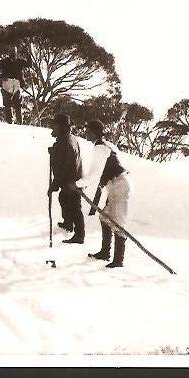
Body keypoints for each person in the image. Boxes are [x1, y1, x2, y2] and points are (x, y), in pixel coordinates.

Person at [76, 119, 131, 268]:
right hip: (115, 185)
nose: (86, 133)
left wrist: (77, 184)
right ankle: (105, 253)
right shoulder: (106, 145)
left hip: (118, 185)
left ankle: (118, 260)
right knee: (105, 217)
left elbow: (95, 174)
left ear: (93, 132)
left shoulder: (100, 148)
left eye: (88, 130)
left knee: (118, 222)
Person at [47, 113, 85, 244]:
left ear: (61, 127)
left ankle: (80, 235)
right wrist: (54, 151)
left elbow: (62, 168)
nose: (53, 128)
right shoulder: (69, 139)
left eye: (55, 125)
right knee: (63, 199)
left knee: (74, 207)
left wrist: (54, 185)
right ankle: (68, 224)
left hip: (71, 182)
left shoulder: (65, 143)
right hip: (73, 180)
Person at [0, 46, 30, 124]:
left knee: (17, 103)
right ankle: (10, 122)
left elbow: (29, 64)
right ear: (9, 53)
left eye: (14, 51)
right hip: (7, 83)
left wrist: (28, 54)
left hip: (16, 83)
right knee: (8, 103)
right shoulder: (4, 61)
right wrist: (0, 79)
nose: (12, 53)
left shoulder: (19, 61)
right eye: (11, 52)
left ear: (16, 52)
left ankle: (19, 122)